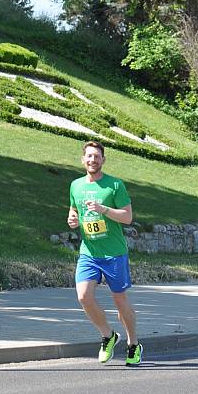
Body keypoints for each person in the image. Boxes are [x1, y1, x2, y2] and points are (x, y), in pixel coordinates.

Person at [67, 140, 143, 366]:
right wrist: (72, 219)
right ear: (83, 160)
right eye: (89, 156)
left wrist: (104, 210)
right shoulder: (76, 185)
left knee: (120, 301)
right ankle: (108, 335)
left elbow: (127, 218)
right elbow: (74, 209)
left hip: (114, 254)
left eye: (97, 157)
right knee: (83, 296)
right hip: (89, 252)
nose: (93, 160)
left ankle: (133, 344)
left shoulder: (115, 185)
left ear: (103, 160)